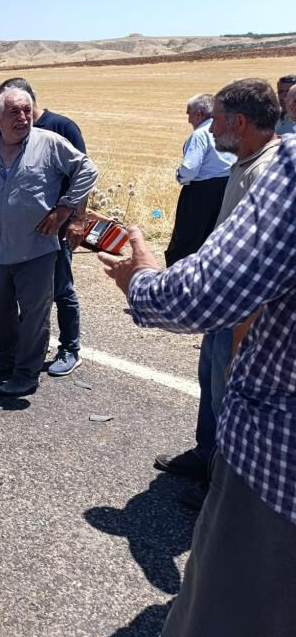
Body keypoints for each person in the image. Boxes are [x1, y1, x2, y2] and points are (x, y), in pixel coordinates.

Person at [98, 136, 296, 637]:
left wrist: (141, 280)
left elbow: (206, 294)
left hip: (277, 470)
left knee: (227, 611)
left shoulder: (291, 167)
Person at [154, 79, 284, 505]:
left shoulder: (267, 174)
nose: (209, 131)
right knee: (210, 384)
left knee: (228, 393)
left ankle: (222, 487)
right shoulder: (246, 164)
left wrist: (240, 333)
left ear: (240, 122)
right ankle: (206, 456)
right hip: (226, 314)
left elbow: (260, 269)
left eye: (217, 120)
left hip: (241, 316)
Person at [0, 88, 98, 397]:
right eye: (14, 112)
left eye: (27, 110)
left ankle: (26, 374)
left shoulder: (50, 143)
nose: (23, 117)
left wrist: (64, 211)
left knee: (34, 315)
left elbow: (88, 170)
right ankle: (5, 358)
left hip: (37, 250)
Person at [0, 77, 88, 377]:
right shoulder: (16, 137)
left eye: (18, 108)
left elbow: (83, 174)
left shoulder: (62, 127)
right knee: (33, 295)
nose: (16, 116)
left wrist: (75, 219)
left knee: (62, 288)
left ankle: (70, 347)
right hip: (28, 238)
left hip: (58, 229)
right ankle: (33, 344)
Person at [164, 94, 235, 267]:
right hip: (227, 188)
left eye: (189, 114)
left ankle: (178, 278)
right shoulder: (227, 130)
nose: (188, 119)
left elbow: (190, 169)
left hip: (201, 192)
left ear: (199, 114)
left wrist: (179, 176)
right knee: (214, 237)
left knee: (186, 240)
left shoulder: (200, 135)